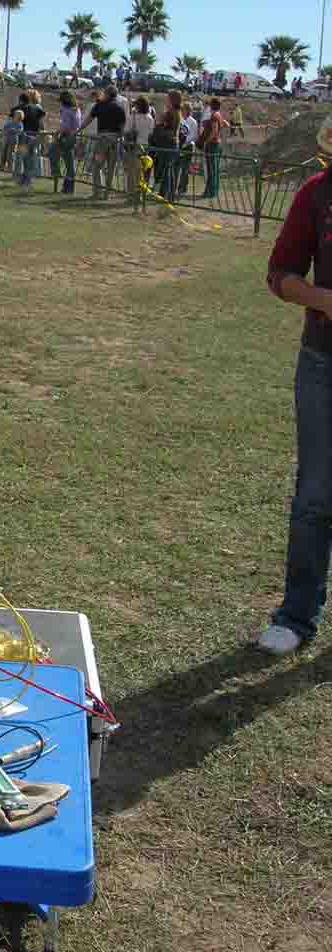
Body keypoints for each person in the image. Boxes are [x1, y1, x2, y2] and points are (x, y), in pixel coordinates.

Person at [259, 115, 332, 655]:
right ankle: (297, 615)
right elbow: (280, 274)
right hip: (323, 362)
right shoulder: (317, 193)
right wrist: (323, 300)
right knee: (315, 494)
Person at [79, 84, 126, 200]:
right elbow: (122, 128)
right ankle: (107, 194)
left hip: (102, 140)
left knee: (96, 166)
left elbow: (88, 119)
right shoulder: (119, 108)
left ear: (107, 94)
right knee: (111, 168)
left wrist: (79, 130)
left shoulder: (99, 105)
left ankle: (97, 192)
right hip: (115, 140)